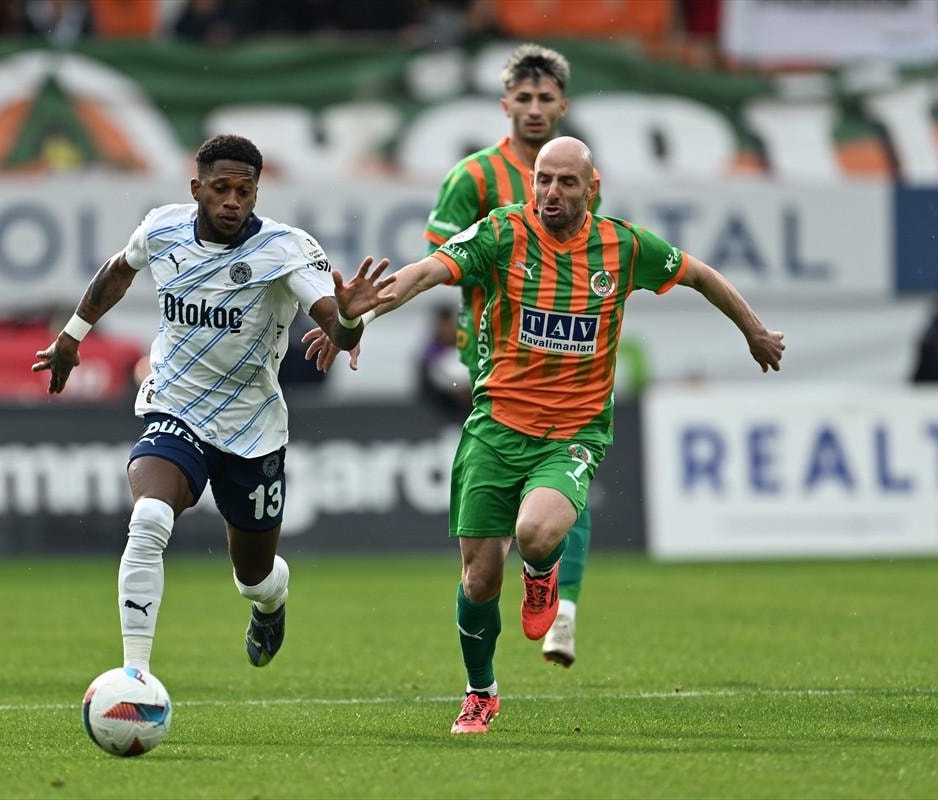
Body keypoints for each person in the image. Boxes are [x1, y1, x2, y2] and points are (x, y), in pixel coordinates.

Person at [308, 136, 784, 733]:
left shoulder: (625, 246)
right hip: (495, 427)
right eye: (542, 179)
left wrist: (754, 330)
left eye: (565, 182)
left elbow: (701, 275)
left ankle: (541, 575)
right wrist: (359, 312)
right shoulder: (502, 232)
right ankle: (480, 692)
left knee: (535, 533)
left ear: (592, 188)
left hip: (574, 431)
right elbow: (426, 272)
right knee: (479, 579)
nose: (550, 192)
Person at [31, 134, 393, 675]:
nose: (232, 202)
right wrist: (71, 336)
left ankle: (271, 601)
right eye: (220, 188)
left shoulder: (285, 249)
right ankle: (134, 677)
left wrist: (347, 318)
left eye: (244, 192)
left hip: (253, 427)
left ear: (256, 193)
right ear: (196, 188)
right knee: (149, 518)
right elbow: (118, 269)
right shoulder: (163, 229)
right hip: (175, 407)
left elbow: (336, 330)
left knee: (253, 578)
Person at [424, 42, 598, 668]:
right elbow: (442, 258)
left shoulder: (577, 176)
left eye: (545, 97)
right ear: (505, 105)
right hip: (492, 357)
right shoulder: (472, 177)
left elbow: (587, 255)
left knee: (565, 468)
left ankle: (563, 608)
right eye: (523, 97)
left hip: (567, 352)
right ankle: (497, 609)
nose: (534, 108)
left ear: (562, 106)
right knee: (497, 518)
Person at [418, 305, 472, 416]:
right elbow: (428, 385)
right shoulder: (431, 353)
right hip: (444, 407)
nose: (446, 329)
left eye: (449, 324)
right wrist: (454, 389)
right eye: (443, 325)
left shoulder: (468, 344)